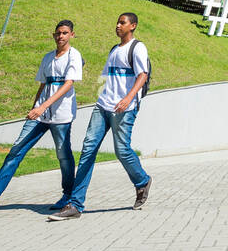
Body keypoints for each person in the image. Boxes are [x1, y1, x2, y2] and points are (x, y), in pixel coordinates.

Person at [0, 20, 83, 220]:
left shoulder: (74, 55)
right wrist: (36, 106)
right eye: (58, 33)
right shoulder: (48, 58)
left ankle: (68, 195)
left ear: (72, 35)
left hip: (61, 115)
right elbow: (43, 85)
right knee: (15, 152)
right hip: (40, 115)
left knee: (64, 156)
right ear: (54, 35)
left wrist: (43, 106)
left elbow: (68, 84)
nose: (61, 36)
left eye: (65, 33)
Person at [49, 12, 151, 220]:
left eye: (122, 23)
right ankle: (75, 205)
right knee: (88, 149)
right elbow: (106, 76)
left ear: (133, 26)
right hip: (103, 107)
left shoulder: (137, 47)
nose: (117, 25)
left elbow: (143, 75)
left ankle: (142, 181)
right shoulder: (114, 49)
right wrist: (101, 96)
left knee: (122, 150)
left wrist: (127, 98)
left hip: (125, 108)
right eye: (117, 22)